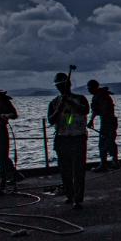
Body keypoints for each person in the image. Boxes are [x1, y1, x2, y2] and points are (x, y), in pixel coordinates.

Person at [47, 72, 90, 208]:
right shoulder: (54, 102)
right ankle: (70, 195)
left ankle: (78, 198)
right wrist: (59, 108)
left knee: (78, 169)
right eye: (59, 86)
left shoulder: (80, 98)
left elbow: (85, 110)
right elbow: (50, 120)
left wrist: (70, 101)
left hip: (78, 137)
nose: (61, 88)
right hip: (62, 138)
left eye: (63, 85)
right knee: (65, 170)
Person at [87, 79, 119, 171]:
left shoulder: (99, 96)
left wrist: (91, 121)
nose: (88, 90)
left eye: (89, 88)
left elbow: (96, 110)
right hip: (110, 121)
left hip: (107, 122)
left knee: (104, 142)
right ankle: (114, 162)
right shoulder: (103, 95)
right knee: (110, 141)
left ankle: (104, 164)